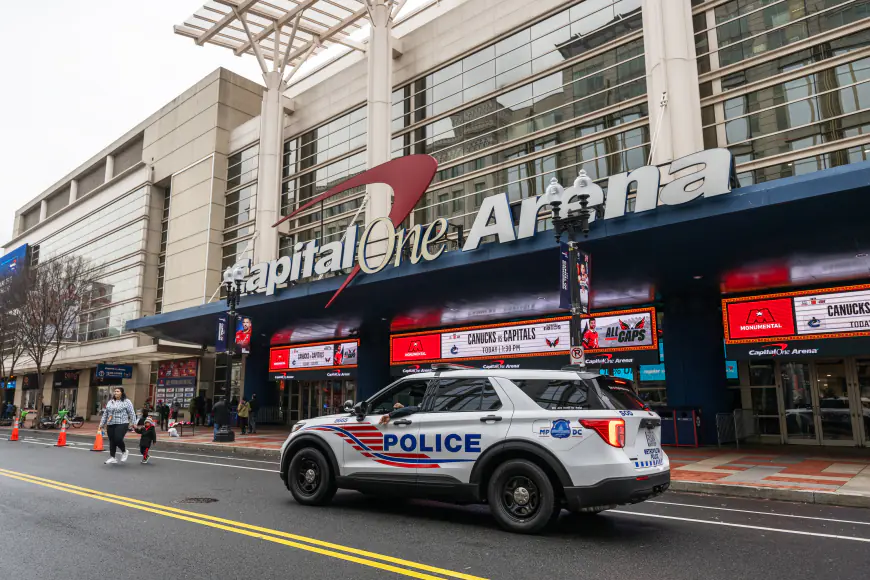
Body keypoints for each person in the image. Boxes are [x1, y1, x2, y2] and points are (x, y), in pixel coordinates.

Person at [98, 387, 137, 465]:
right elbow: (106, 414)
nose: (115, 393)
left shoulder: (126, 401)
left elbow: (132, 412)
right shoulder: (110, 402)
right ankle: (113, 457)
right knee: (112, 440)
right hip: (111, 423)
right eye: (115, 391)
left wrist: (134, 423)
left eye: (117, 391)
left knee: (118, 438)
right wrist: (101, 424)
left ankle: (124, 451)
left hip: (122, 423)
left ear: (122, 393)